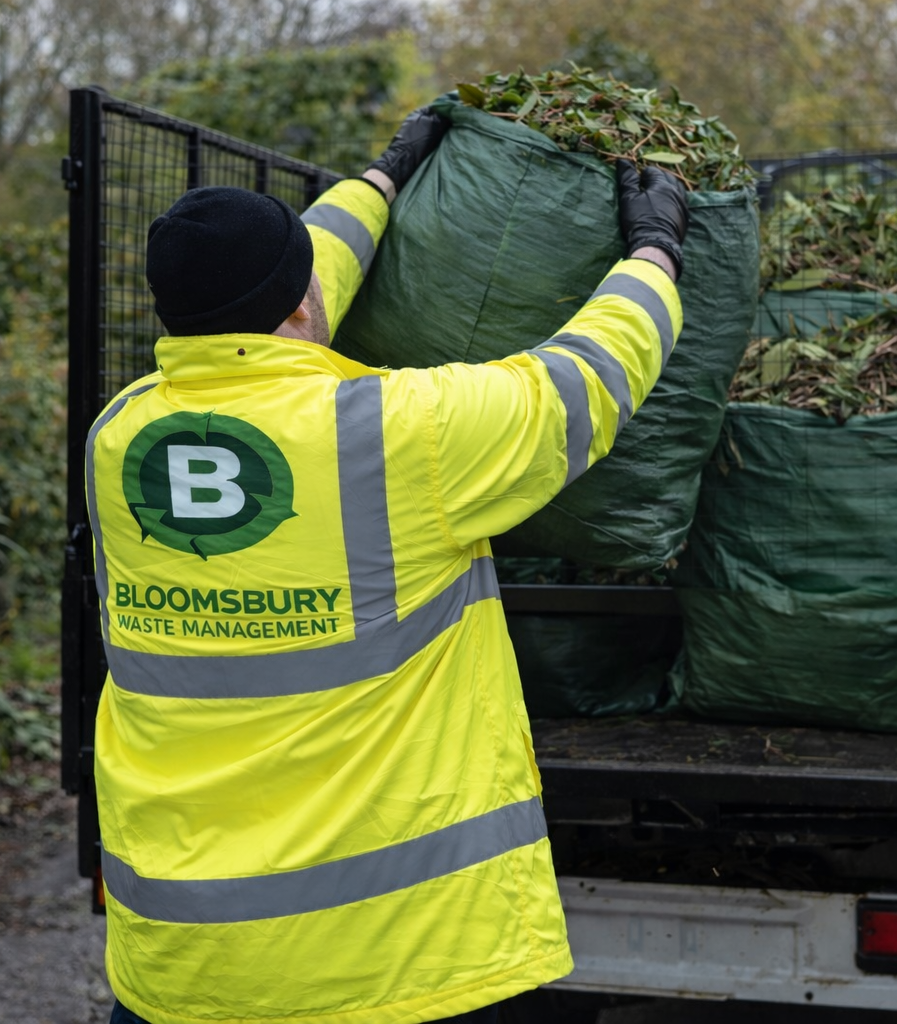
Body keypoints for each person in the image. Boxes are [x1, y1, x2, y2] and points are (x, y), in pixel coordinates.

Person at [85, 108, 688, 1024]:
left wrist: (379, 181)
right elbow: (585, 378)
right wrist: (654, 253)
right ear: (298, 307)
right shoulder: (392, 436)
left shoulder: (117, 436)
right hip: (394, 967)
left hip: (184, 965)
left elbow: (292, 281)